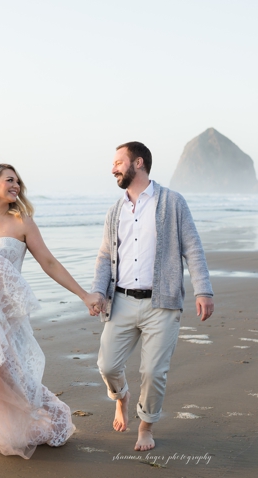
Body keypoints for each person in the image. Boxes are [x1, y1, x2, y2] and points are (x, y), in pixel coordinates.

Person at [0, 163, 104, 458]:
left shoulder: (23, 223)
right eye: (9, 180)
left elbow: (49, 263)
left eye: (18, 181)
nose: (16, 186)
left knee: (13, 376)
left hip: (7, 316)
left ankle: (37, 420)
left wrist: (84, 295)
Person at [92, 142, 213, 452]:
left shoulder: (172, 202)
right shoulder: (115, 210)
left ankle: (145, 427)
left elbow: (193, 247)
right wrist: (98, 291)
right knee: (107, 365)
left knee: (153, 371)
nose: (113, 168)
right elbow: (106, 256)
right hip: (121, 301)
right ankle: (122, 397)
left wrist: (203, 290)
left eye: (119, 162)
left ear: (139, 163)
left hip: (163, 303)